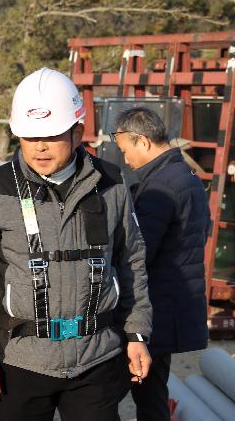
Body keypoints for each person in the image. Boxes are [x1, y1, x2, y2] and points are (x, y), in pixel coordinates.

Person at [0, 67, 153, 421]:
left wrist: (137, 333)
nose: (40, 146)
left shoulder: (112, 183)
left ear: (77, 132)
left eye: (50, 135)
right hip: (20, 361)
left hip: (97, 359)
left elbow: (132, 261)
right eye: (29, 137)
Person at [111, 107, 210, 421]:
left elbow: (138, 252)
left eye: (126, 151)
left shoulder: (159, 187)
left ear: (142, 141)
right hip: (172, 307)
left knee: (103, 394)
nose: (126, 160)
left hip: (154, 309)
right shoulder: (186, 178)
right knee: (151, 395)